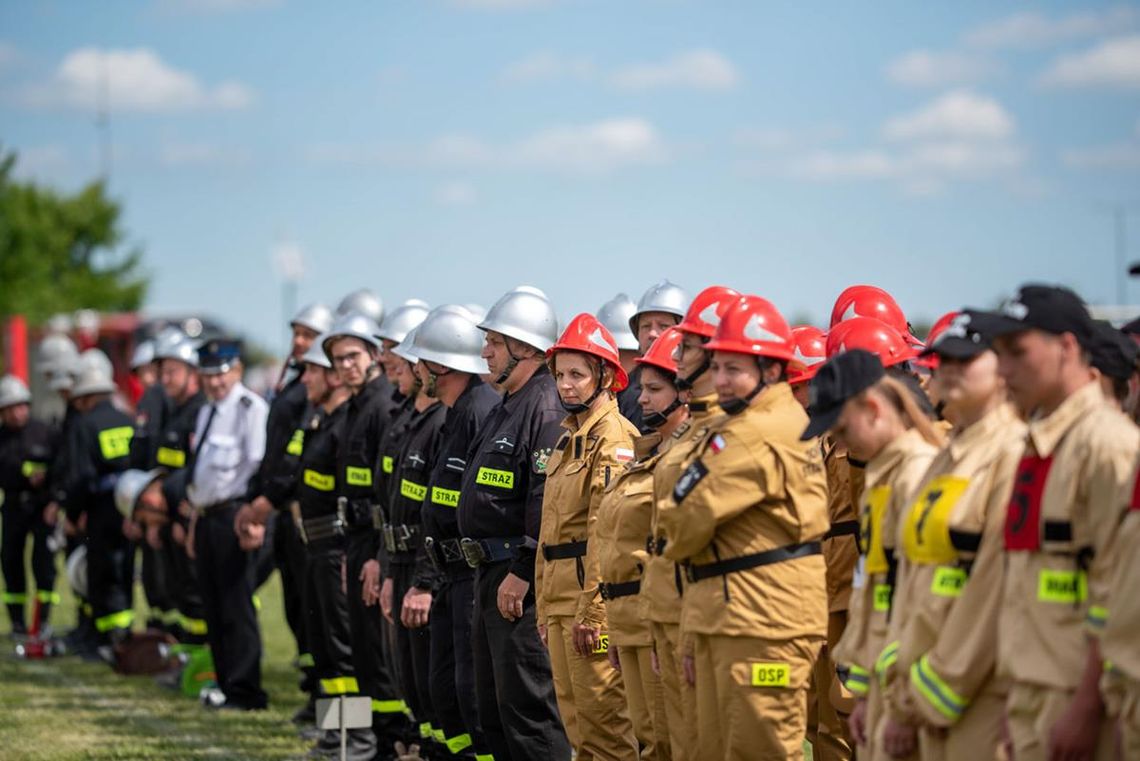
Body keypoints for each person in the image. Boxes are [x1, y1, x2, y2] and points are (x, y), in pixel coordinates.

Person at [657, 294, 828, 760]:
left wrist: (677, 512)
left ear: (771, 371)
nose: (722, 381)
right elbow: (684, 511)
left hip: (763, 622)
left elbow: (684, 519)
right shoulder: (745, 423)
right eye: (718, 367)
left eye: (735, 369)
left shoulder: (759, 431)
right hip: (733, 614)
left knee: (760, 752)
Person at [985, 285, 1139, 761]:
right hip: (1033, 693)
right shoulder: (1042, 441)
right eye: (999, 354)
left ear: (1067, 347)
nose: (1003, 369)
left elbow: (1117, 590)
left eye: (1018, 352)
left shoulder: (1108, 444)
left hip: (1078, 696)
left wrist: (1090, 706)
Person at [875, 312, 1027, 760]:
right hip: (922, 683)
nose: (949, 370)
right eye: (942, 360)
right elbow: (913, 577)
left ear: (1001, 368)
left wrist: (937, 686)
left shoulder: (1015, 453)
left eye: (966, 359)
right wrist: (902, 689)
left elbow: (991, 587)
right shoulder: (946, 456)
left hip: (974, 690)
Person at [803, 349, 943, 761]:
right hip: (887, 681)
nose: (839, 443)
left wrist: (901, 704)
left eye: (843, 428)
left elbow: (925, 603)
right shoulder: (886, 475)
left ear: (873, 409)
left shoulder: (918, 475)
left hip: (914, 688)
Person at [457, 286, 572, 761]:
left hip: (518, 583)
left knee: (528, 713)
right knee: (494, 711)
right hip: (492, 575)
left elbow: (546, 501)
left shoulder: (544, 407)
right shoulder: (507, 402)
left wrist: (522, 571)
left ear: (526, 348)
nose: (485, 350)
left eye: (496, 342)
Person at [536, 313, 640, 761]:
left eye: (577, 374)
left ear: (605, 377)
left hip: (587, 602)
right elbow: (548, 530)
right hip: (559, 600)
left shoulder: (614, 438)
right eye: (560, 375)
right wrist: (542, 607)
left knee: (606, 729)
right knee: (578, 728)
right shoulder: (566, 439)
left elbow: (607, 529)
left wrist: (594, 612)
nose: (566, 385)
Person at [645, 284, 738, 761]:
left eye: (688, 345)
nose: (676, 354)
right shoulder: (697, 431)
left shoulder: (734, 433)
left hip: (720, 617)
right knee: (679, 744)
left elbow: (692, 526)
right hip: (679, 610)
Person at [411, 305, 499, 761]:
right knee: (447, 688)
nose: (415, 370)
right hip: (450, 573)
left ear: (441, 366)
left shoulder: (478, 412)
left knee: (472, 693)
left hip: (470, 574)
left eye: (421, 362)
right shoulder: (455, 414)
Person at [596, 326, 687, 761]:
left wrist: (654, 630)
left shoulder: (687, 459)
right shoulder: (647, 453)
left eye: (654, 388)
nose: (643, 398)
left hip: (662, 624)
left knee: (671, 740)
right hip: (630, 618)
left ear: (683, 393)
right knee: (648, 742)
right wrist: (617, 624)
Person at [323, 311, 411, 748]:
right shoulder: (352, 406)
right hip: (351, 541)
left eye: (352, 355)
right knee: (351, 648)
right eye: (337, 359)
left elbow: (386, 492)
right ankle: (347, 738)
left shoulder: (381, 405)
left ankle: (387, 742)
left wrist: (379, 555)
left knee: (376, 654)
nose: (345, 366)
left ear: (373, 355)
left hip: (374, 543)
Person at [289, 335, 377, 760]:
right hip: (316, 545)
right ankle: (333, 734)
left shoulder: (347, 420)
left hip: (337, 546)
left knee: (345, 653)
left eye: (312, 370)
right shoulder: (321, 419)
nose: (306, 378)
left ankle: (355, 738)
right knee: (324, 649)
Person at [185, 339, 270, 710]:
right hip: (206, 516)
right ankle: (224, 682)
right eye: (207, 376)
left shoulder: (250, 408)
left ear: (236, 371)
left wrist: (252, 517)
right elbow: (200, 476)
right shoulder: (207, 413)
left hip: (234, 515)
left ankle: (246, 690)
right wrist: (192, 521)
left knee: (237, 606)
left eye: (220, 375)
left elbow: (257, 466)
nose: (214, 383)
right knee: (213, 606)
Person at [789, 326, 855, 761]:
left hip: (852, 598)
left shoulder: (853, 441)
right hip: (818, 595)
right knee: (817, 718)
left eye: (799, 387)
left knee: (846, 714)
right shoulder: (814, 444)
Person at [385, 334, 448, 755]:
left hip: (425, 567)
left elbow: (439, 510)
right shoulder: (407, 419)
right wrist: (386, 567)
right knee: (408, 676)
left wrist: (424, 580)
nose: (409, 369)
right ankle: (418, 747)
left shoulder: (443, 422)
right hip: (398, 560)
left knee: (433, 679)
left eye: (415, 363)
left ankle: (428, 749)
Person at [65, 357, 137, 659]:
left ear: (86, 396)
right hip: (128, 508)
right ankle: (124, 637)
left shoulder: (84, 425)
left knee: (101, 574)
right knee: (125, 570)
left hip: (99, 510)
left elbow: (80, 476)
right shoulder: (128, 420)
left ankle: (102, 640)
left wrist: (72, 514)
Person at [152, 334, 208, 644]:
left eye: (172, 371)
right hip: (170, 518)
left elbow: (199, 471)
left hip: (189, 520)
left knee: (198, 593)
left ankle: (203, 657)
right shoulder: (174, 411)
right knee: (183, 592)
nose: (164, 379)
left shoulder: (201, 412)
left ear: (192, 373)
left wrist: (185, 519)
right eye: (162, 372)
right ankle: (191, 655)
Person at [0, 375, 59, 636]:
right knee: (11, 560)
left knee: (43, 563)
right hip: (13, 507)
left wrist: (52, 491)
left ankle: (42, 621)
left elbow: (62, 466)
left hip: (42, 507)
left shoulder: (44, 431)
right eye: (10, 408)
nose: (17, 412)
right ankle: (17, 622)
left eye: (21, 405)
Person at [620, 281, 689, 433]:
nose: (652, 334)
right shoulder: (624, 386)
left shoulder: (699, 383)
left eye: (663, 326)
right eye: (646, 326)